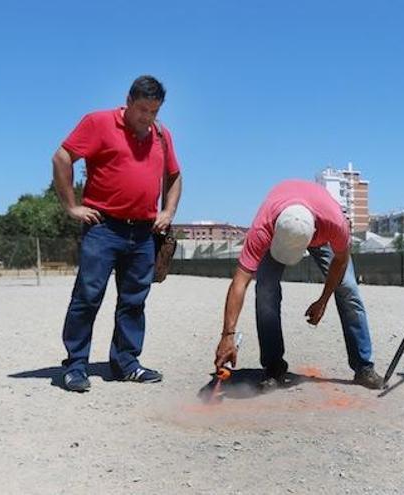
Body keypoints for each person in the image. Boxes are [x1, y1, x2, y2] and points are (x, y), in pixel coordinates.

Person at [52, 75, 183, 392]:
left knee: (134, 301)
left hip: (143, 233)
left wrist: (167, 212)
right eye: (142, 110)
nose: (147, 117)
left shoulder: (162, 135)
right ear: (128, 100)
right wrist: (72, 206)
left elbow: (175, 176)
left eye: (154, 111)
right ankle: (76, 366)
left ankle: (126, 363)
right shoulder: (98, 122)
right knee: (87, 297)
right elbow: (62, 157)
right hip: (103, 228)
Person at [213, 180, 384, 390]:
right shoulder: (263, 228)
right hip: (281, 228)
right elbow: (240, 281)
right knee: (265, 288)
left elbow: (340, 261)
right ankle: (274, 367)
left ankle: (363, 366)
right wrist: (227, 335)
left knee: (348, 288)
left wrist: (323, 301)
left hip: (319, 226)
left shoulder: (335, 223)